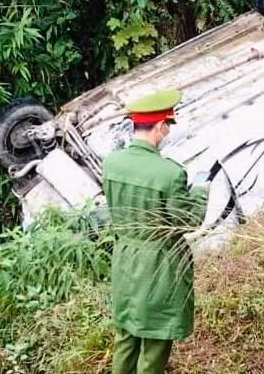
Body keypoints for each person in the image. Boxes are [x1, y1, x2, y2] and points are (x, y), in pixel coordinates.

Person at [102, 89, 210, 374]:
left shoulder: (111, 162)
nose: (167, 133)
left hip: (125, 261)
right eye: (168, 127)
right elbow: (188, 219)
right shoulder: (169, 173)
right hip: (159, 267)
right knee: (154, 344)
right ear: (161, 125)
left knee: (125, 338)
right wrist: (200, 190)